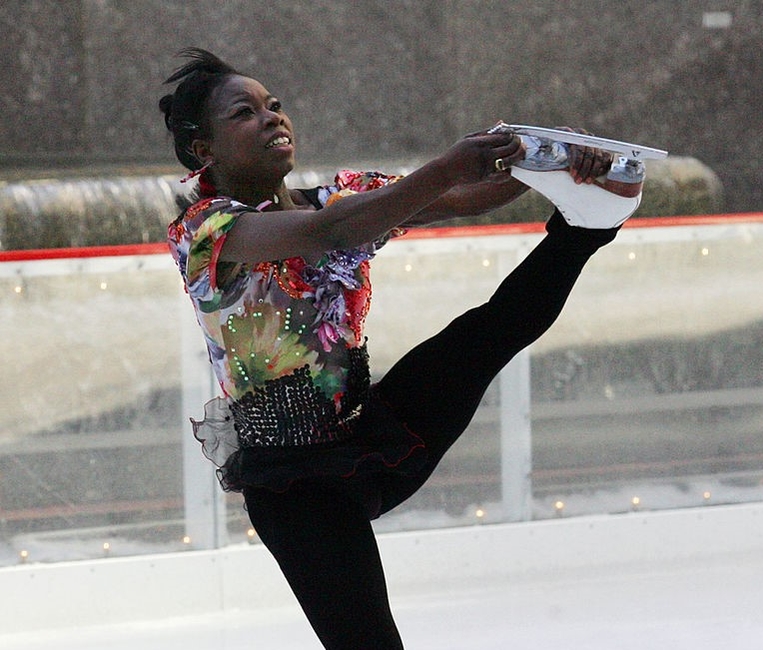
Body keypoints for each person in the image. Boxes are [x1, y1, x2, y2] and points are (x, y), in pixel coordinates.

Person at [160, 48, 638, 649]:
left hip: (375, 428)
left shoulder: (341, 197)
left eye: (275, 106)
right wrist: (444, 168)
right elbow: (327, 234)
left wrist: (557, 165)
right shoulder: (204, 232)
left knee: (485, 335)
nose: (272, 118)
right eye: (245, 113)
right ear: (204, 151)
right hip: (295, 487)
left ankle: (588, 229)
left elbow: (467, 196)